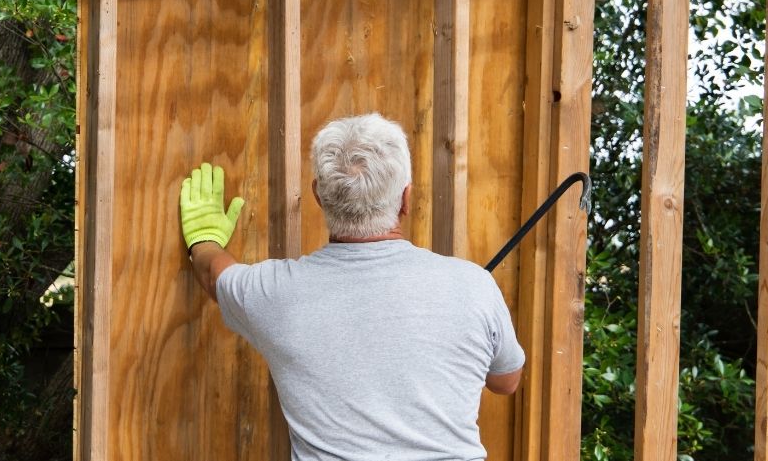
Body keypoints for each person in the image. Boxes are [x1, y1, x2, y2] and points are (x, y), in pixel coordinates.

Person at [179, 113, 524, 460]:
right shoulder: (474, 286)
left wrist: (204, 238)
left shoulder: (273, 292)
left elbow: (212, 273)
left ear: (317, 195)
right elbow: (506, 381)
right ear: (406, 198)